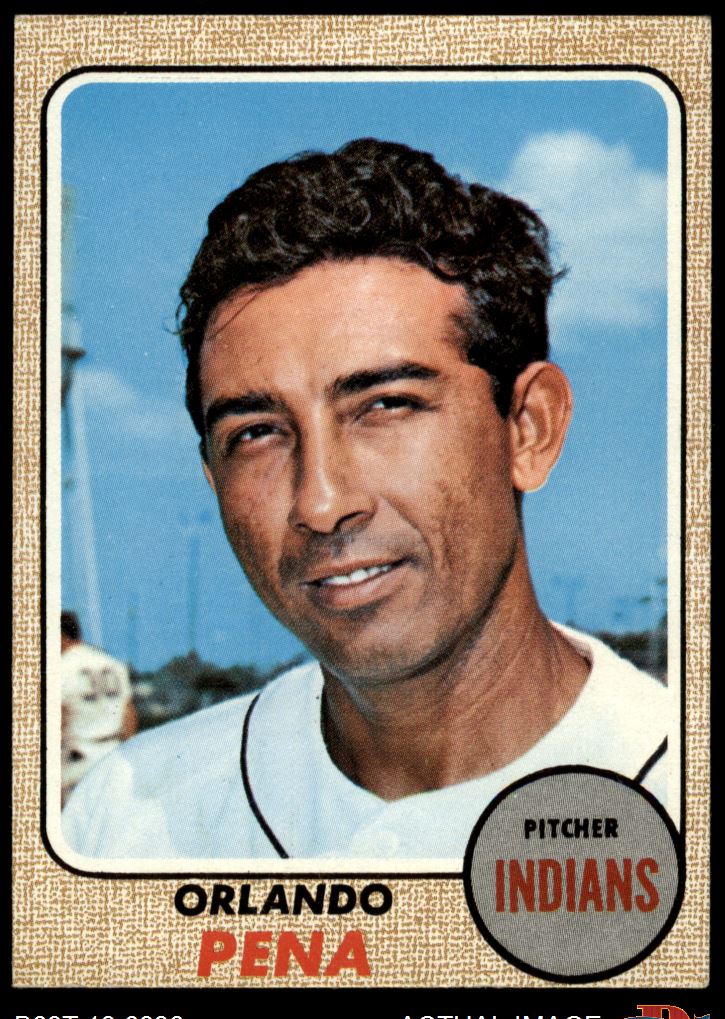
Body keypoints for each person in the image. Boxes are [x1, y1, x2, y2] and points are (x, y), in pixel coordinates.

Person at [63, 139, 673, 860]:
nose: (321, 503)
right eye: (257, 433)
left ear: (528, 429)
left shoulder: (674, 790)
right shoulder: (128, 823)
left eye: (386, 406)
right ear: (213, 479)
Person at [60, 611, 138, 808]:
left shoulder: (60, 668)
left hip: (78, 760)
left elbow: (59, 721)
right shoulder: (113, 664)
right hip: (113, 755)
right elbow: (129, 715)